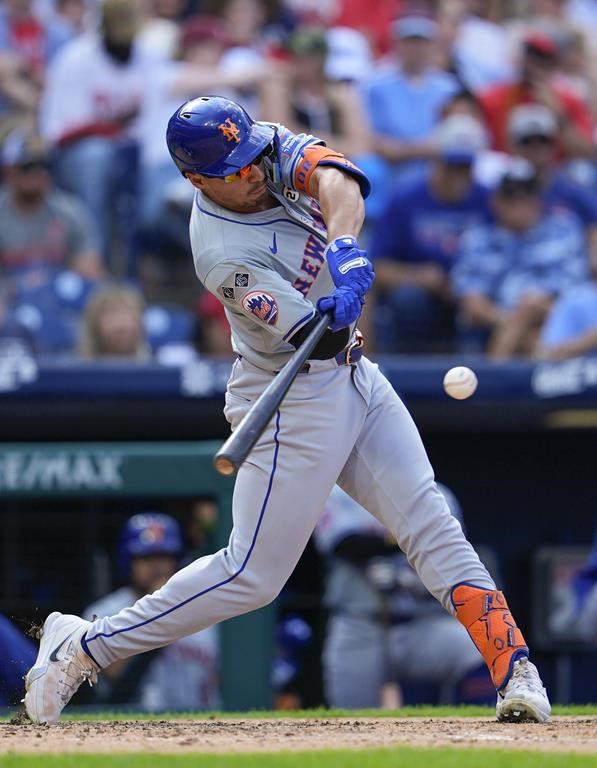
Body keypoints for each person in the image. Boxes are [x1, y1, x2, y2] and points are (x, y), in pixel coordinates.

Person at [23, 94, 551, 725]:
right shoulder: (221, 253)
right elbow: (314, 339)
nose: (253, 173)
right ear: (196, 180)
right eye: (235, 171)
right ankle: (84, 646)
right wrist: (324, 315)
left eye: (252, 159)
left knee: (431, 523)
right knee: (251, 575)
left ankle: (515, 670)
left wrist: (345, 247)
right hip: (290, 392)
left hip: (356, 375)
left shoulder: (257, 147)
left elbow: (340, 179)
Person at [315, 485, 494, 708]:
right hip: (359, 626)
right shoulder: (336, 493)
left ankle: (479, 727)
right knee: (350, 716)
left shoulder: (439, 495)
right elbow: (343, 543)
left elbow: (451, 553)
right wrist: (404, 538)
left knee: (480, 650)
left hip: (420, 623)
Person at [370, 113, 492, 353]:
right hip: (425, 297)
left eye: (465, 168)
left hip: (474, 294)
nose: (458, 176)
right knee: (409, 299)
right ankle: (410, 370)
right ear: (436, 162)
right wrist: (418, 276)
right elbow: (377, 266)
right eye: (452, 166)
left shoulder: (488, 199)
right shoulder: (406, 199)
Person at [453, 156, 589, 358]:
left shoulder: (563, 229)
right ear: (496, 201)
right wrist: (515, 318)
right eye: (512, 197)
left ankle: (492, 382)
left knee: (532, 307)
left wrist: (530, 311)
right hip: (497, 323)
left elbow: (574, 289)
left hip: (557, 317)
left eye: (528, 196)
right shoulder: (479, 240)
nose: (522, 204)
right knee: (529, 330)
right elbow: (472, 302)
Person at [82, 513, 219, 711]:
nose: (157, 566)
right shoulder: (105, 612)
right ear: (128, 561)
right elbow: (111, 672)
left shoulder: (206, 609)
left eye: (165, 556)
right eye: (146, 558)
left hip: (205, 722)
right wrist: (160, 611)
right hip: (132, 725)